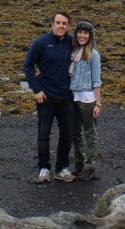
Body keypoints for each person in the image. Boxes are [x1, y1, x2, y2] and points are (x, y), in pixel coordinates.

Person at [23, 11, 76, 183]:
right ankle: (43, 168)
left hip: (67, 97)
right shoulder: (41, 43)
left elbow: (87, 56)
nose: (61, 26)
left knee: (67, 134)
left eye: (64, 23)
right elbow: (28, 66)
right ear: (52, 24)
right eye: (58, 22)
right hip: (45, 97)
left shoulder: (72, 43)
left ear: (68, 26)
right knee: (44, 134)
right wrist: (36, 90)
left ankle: (62, 168)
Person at [69, 19, 102, 181]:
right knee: (75, 132)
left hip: (88, 99)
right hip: (72, 97)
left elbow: (97, 80)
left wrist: (98, 103)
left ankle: (90, 166)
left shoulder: (93, 54)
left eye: (86, 32)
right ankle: (79, 163)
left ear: (90, 35)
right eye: (80, 32)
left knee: (89, 132)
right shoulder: (73, 52)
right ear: (76, 34)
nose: (82, 35)